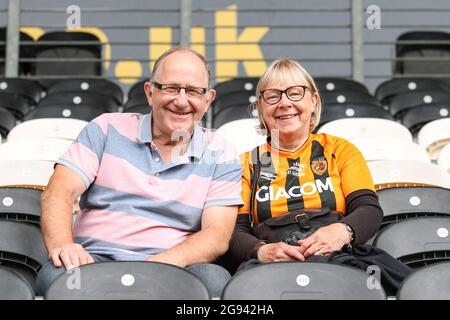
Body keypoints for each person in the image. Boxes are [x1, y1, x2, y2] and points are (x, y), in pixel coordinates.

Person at [36, 47, 243, 298]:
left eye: (192, 91)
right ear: (150, 92)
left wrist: (155, 266)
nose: (181, 100)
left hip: (174, 266)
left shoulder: (221, 152)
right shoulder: (106, 128)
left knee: (213, 279)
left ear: (208, 99)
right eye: (170, 88)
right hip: (96, 261)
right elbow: (59, 191)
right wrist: (64, 245)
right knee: (56, 275)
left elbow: (217, 234)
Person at [228, 59, 383, 267]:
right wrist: (261, 250)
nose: (284, 104)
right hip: (272, 267)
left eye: (295, 93)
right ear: (260, 107)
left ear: (313, 100)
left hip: (340, 258)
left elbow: (369, 209)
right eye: (272, 96)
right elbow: (234, 231)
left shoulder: (339, 150)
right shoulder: (247, 163)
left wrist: (343, 231)